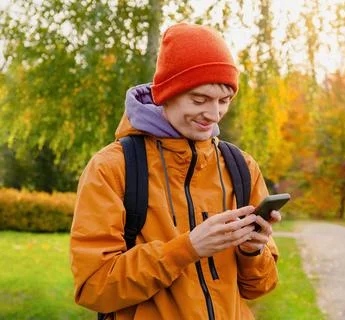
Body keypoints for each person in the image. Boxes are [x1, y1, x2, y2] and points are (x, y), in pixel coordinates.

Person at [70, 22, 281, 319]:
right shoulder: (111, 168)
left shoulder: (242, 167)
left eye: (224, 100)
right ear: (167, 93)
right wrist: (187, 248)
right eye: (199, 99)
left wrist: (253, 251)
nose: (213, 114)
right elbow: (95, 287)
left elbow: (260, 287)